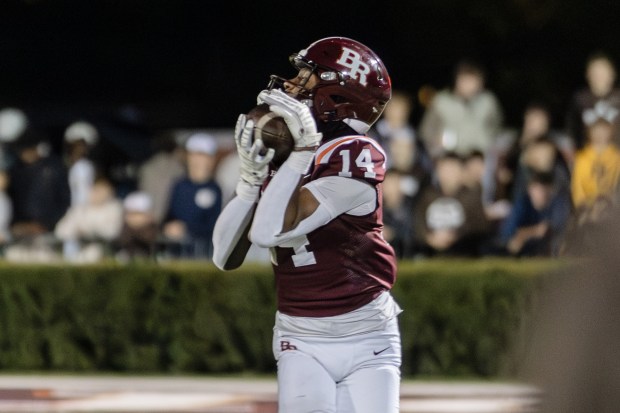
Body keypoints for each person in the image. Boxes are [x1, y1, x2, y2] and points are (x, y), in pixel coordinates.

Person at [212, 37, 402, 413]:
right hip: (299, 334)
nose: (291, 85)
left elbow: (268, 233)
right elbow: (223, 256)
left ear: (337, 94)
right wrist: (250, 180)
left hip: (365, 334)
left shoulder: (355, 153)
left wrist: (300, 156)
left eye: (307, 77)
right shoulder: (289, 154)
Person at [419, 59, 503, 158]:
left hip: (480, 156)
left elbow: (497, 126)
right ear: (457, 80)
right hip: (450, 155)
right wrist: (435, 140)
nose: (470, 85)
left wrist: (489, 141)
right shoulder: (441, 101)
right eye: (466, 80)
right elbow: (426, 130)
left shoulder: (488, 101)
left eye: (474, 80)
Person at [162, 132, 222, 258]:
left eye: (202, 155)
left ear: (211, 160)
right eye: (193, 155)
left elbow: (215, 225)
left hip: (203, 254)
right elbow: (168, 215)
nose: (197, 160)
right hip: (176, 252)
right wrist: (168, 227)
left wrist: (187, 229)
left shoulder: (215, 189)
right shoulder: (179, 185)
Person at [565, 51, 620, 150]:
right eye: (595, 71)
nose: (599, 75)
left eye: (603, 70)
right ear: (587, 74)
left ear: (613, 73)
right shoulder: (580, 98)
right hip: (588, 158)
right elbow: (572, 129)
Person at [571, 117, 620, 209]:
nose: (599, 135)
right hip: (587, 207)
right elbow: (578, 186)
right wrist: (581, 207)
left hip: (611, 207)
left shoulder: (617, 157)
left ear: (610, 132)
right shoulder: (582, 157)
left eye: (603, 131)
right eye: (596, 131)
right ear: (590, 133)